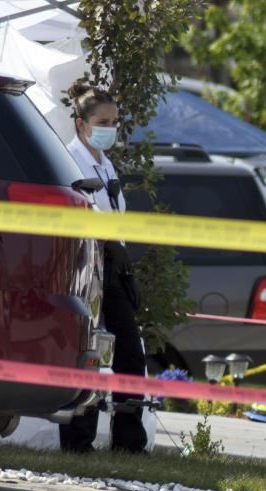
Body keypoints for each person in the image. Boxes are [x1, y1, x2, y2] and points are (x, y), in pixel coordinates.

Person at [61, 81, 148, 453]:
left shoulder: (105, 162)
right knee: (89, 354)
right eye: (102, 121)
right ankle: (78, 441)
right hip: (88, 271)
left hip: (113, 271)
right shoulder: (70, 159)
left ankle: (128, 441)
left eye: (114, 121)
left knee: (130, 353)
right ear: (81, 123)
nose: (110, 128)